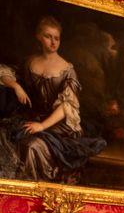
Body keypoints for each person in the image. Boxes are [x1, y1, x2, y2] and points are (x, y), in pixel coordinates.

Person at [0, 15, 106, 182]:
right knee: (5, 135)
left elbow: (66, 106)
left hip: (58, 124)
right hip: (32, 117)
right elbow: (6, 73)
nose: (53, 42)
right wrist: (16, 86)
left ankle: (33, 187)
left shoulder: (67, 70)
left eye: (56, 38)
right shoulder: (29, 62)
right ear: (38, 36)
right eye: (48, 36)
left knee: (32, 146)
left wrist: (42, 126)